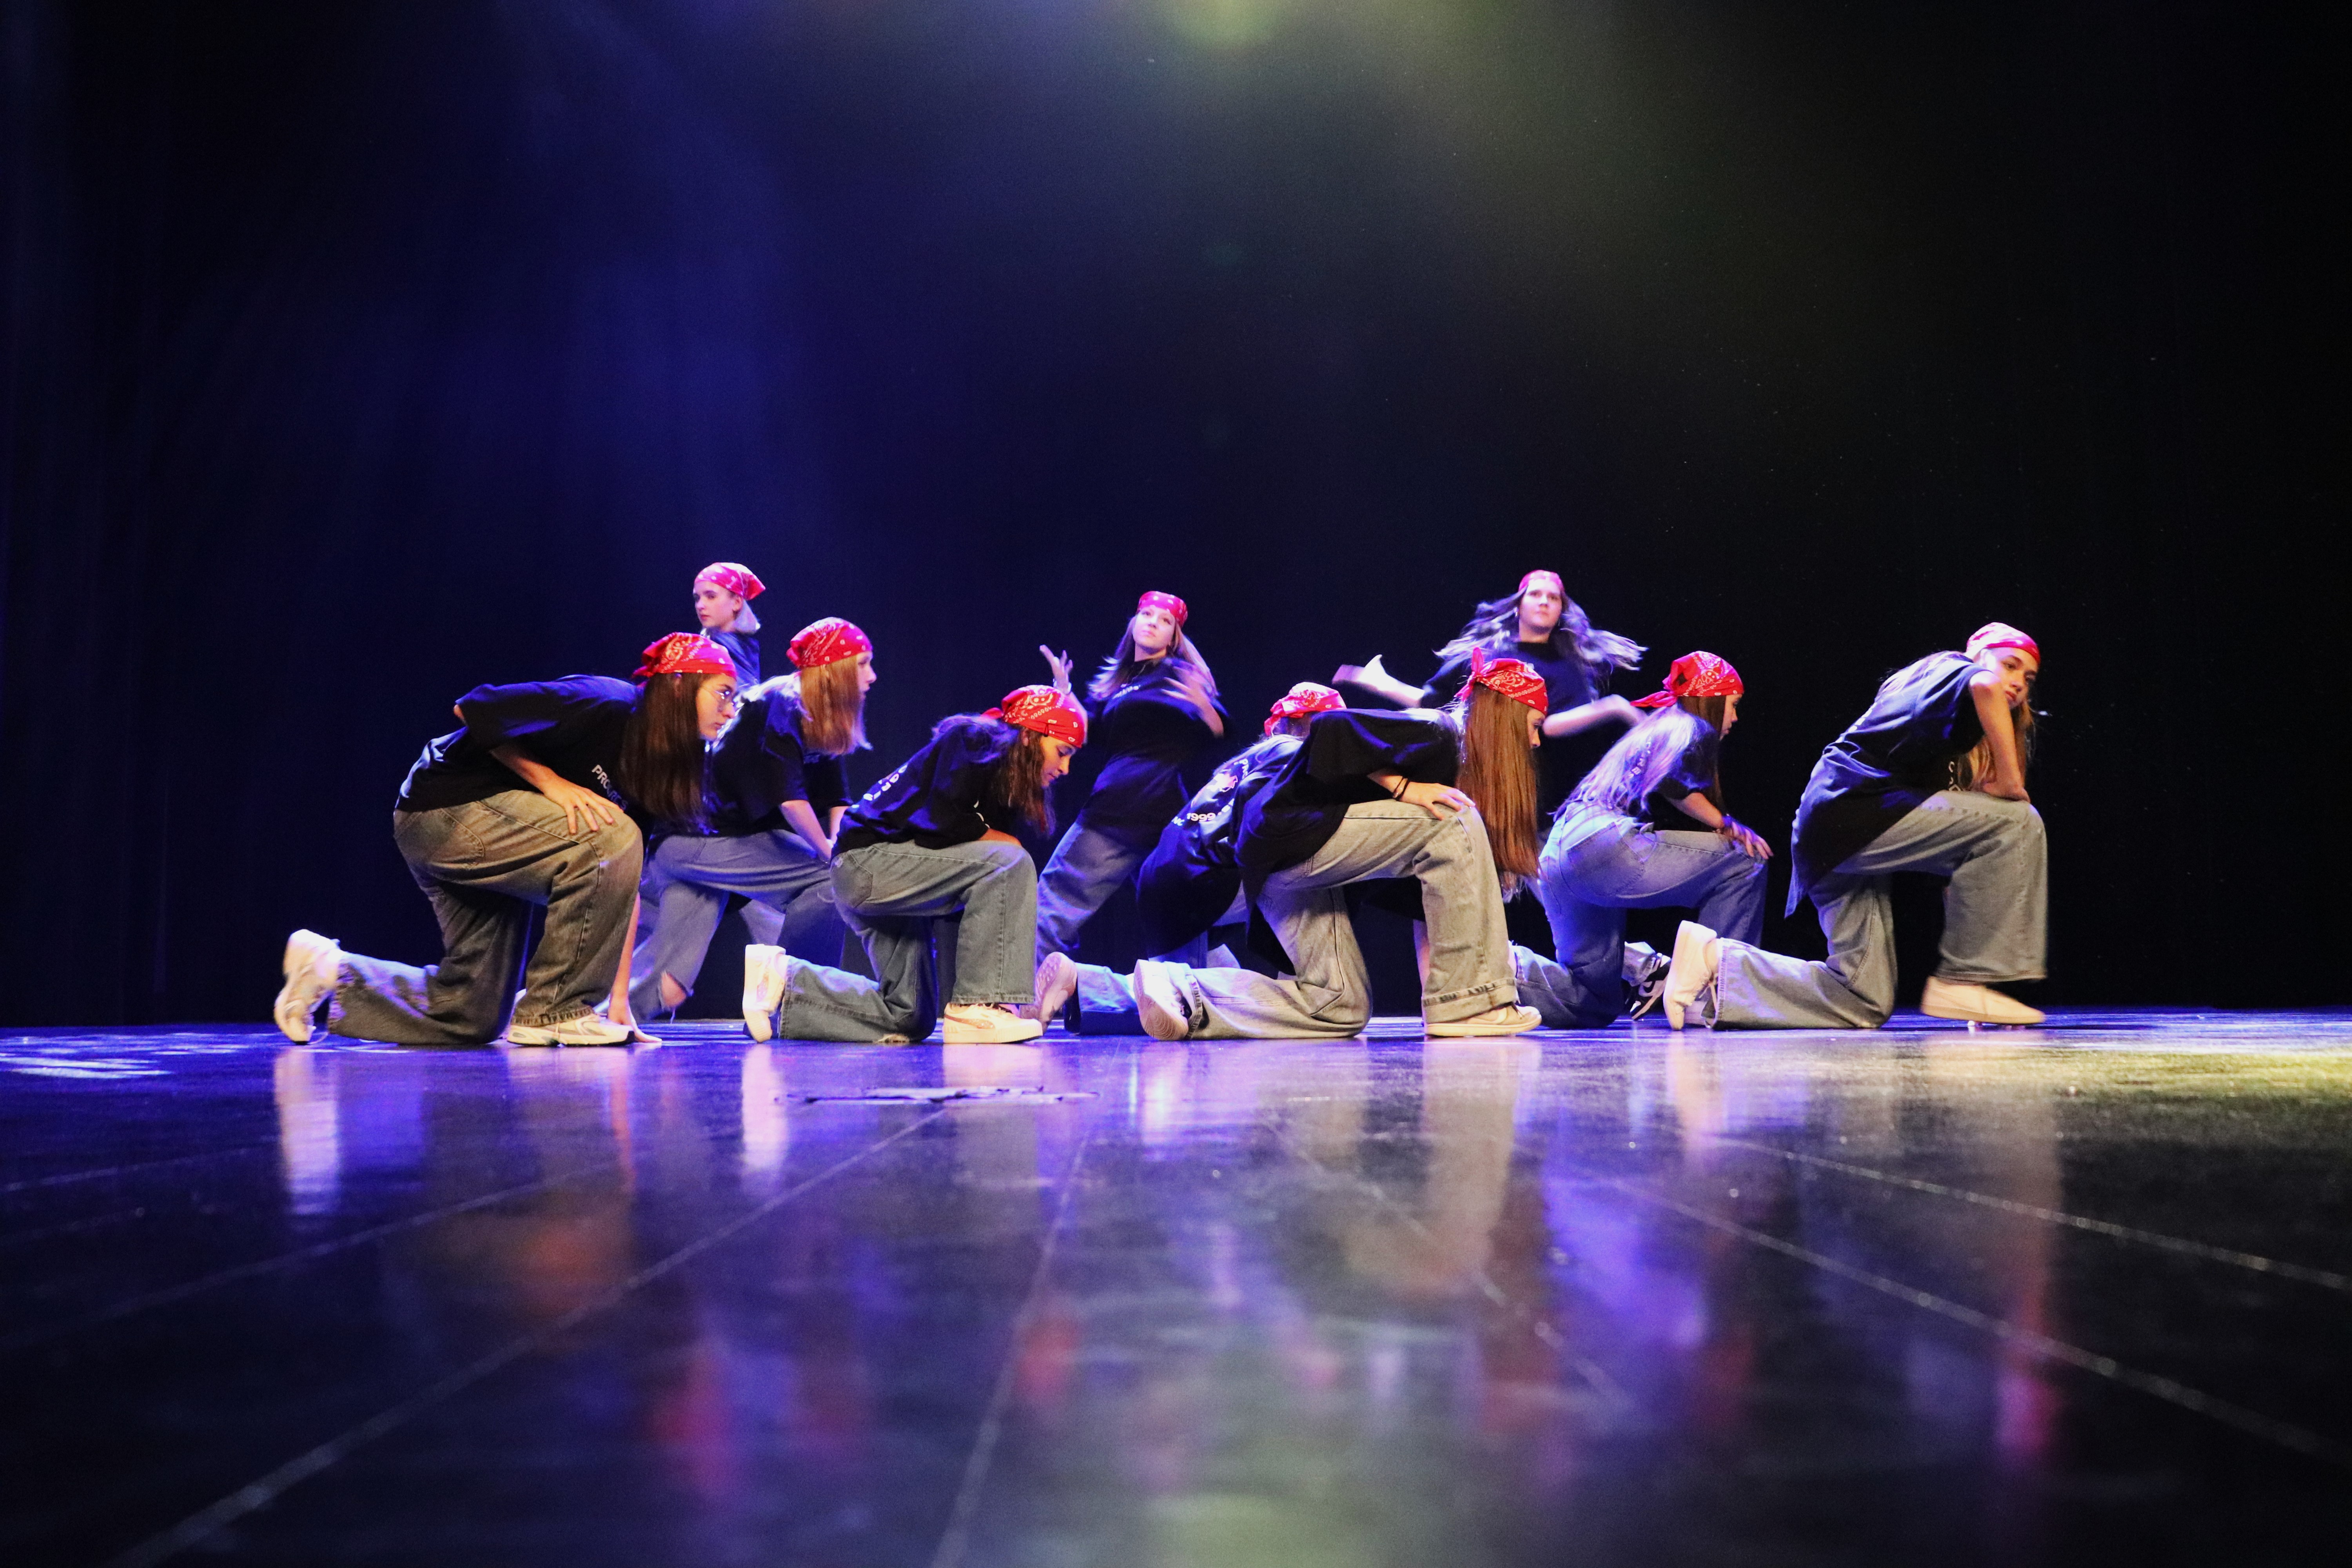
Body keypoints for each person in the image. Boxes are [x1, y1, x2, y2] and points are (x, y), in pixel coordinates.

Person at [272, 633, 740, 1047]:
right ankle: (554, 1011)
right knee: (611, 834)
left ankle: (329, 970)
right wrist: (552, 782)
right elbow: (475, 708)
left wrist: (619, 1003)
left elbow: (623, 882)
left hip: (499, 840)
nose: (730, 710)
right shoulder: (606, 702)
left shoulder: (654, 764)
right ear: (679, 686)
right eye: (722, 693)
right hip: (446, 809)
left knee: (471, 1013)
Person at [1075, 655, 1550, 1040]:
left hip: (1283, 864)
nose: (1535, 741)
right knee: (1458, 818)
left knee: (1338, 1004)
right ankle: (1473, 1005)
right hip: (1290, 839)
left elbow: (1427, 899)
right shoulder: (1441, 732)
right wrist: (1404, 786)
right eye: (1533, 725)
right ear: (1507, 719)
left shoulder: (1450, 764)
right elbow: (1334, 729)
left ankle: (1182, 991)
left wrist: (1441, 998)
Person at [1660, 623, 2047, 1030]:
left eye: (2028, 678)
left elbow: (1969, 857)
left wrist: (1974, 971)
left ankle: (1714, 961)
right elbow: (1985, 684)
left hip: (1834, 835)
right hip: (1853, 812)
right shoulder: (1952, 669)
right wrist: (2010, 782)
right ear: (1978, 653)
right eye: (2010, 665)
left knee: (1863, 998)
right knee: (2017, 820)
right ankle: (1965, 980)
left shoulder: (1942, 720)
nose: (2018, 683)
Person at [742, 684, 1087, 1045]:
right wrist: (992, 993)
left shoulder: (1004, 786)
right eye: (1062, 752)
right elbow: (941, 821)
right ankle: (980, 1008)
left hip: (895, 877)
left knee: (908, 1015)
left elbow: (981, 899)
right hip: (868, 864)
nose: (1065, 768)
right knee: (1010, 862)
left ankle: (779, 984)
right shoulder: (973, 739)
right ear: (1030, 737)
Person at [1044, 681, 1345, 1030]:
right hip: (1199, 881)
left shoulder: (1246, 760)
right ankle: (1080, 981)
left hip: (1171, 872)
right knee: (1200, 1001)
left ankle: (1080, 991)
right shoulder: (1295, 756)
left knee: (1227, 991)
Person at [627, 617, 875, 1021]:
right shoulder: (782, 702)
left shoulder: (822, 717)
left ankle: (577, 1011)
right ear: (835, 669)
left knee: (669, 986)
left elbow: (837, 799)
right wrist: (832, 855)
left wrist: (839, 844)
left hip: (703, 851)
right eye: (863, 663)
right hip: (700, 840)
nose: (872, 675)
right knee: (831, 877)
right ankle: (794, 1005)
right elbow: (791, 801)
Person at [1512, 653, 1771, 1029]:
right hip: (1602, 844)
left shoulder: (1655, 729)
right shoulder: (1687, 724)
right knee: (1747, 861)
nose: (1734, 718)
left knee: (1592, 1000)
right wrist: (1725, 823)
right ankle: (1710, 994)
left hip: (1558, 856)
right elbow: (1672, 782)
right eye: (1733, 705)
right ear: (1713, 700)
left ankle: (1503, 965)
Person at [1336, 568, 1644, 814]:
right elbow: (1434, 702)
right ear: (1519, 605)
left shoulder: (1564, 665)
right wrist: (1380, 683)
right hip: (1470, 766)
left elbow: (1550, 725)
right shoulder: (1488, 653)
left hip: (1523, 776)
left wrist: (1614, 707)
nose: (1544, 602)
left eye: (1554, 598)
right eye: (1536, 594)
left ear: (1561, 610)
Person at [1033, 590, 1226, 961]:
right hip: (1146, 810)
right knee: (1178, 920)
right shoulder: (1123, 682)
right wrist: (1064, 690)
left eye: (1165, 620)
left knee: (1055, 902)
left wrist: (1204, 707)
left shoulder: (1176, 674)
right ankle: (1219, 991)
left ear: (1174, 637)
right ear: (1134, 621)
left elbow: (1217, 731)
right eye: (1147, 614)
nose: (1153, 622)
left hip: (1128, 807)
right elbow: (1090, 731)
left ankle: (1012, 991)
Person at [693, 561, 767, 686]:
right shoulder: (702, 650)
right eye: (697, 598)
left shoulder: (747, 648)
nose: (700, 605)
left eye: (711, 597)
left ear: (737, 603)